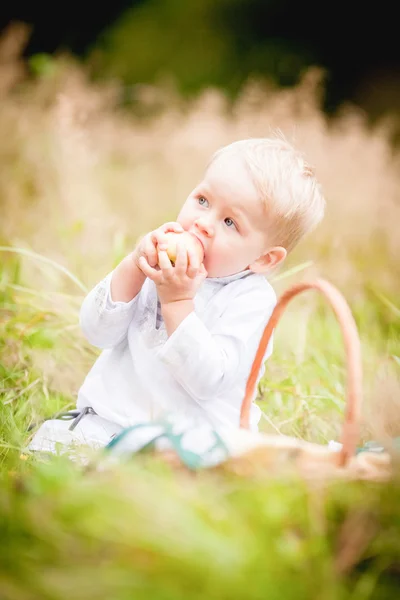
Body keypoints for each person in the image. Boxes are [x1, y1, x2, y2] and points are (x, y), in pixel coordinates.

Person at [28, 133, 325, 454]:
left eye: (229, 222)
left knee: (156, 482)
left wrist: (177, 302)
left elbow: (208, 380)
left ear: (264, 258)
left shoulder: (251, 301)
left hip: (189, 444)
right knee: (51, 448)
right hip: (107, 420)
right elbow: (95, 331)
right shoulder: (160, 261)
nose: (203, 224)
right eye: (202, 201)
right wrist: (133, 266)